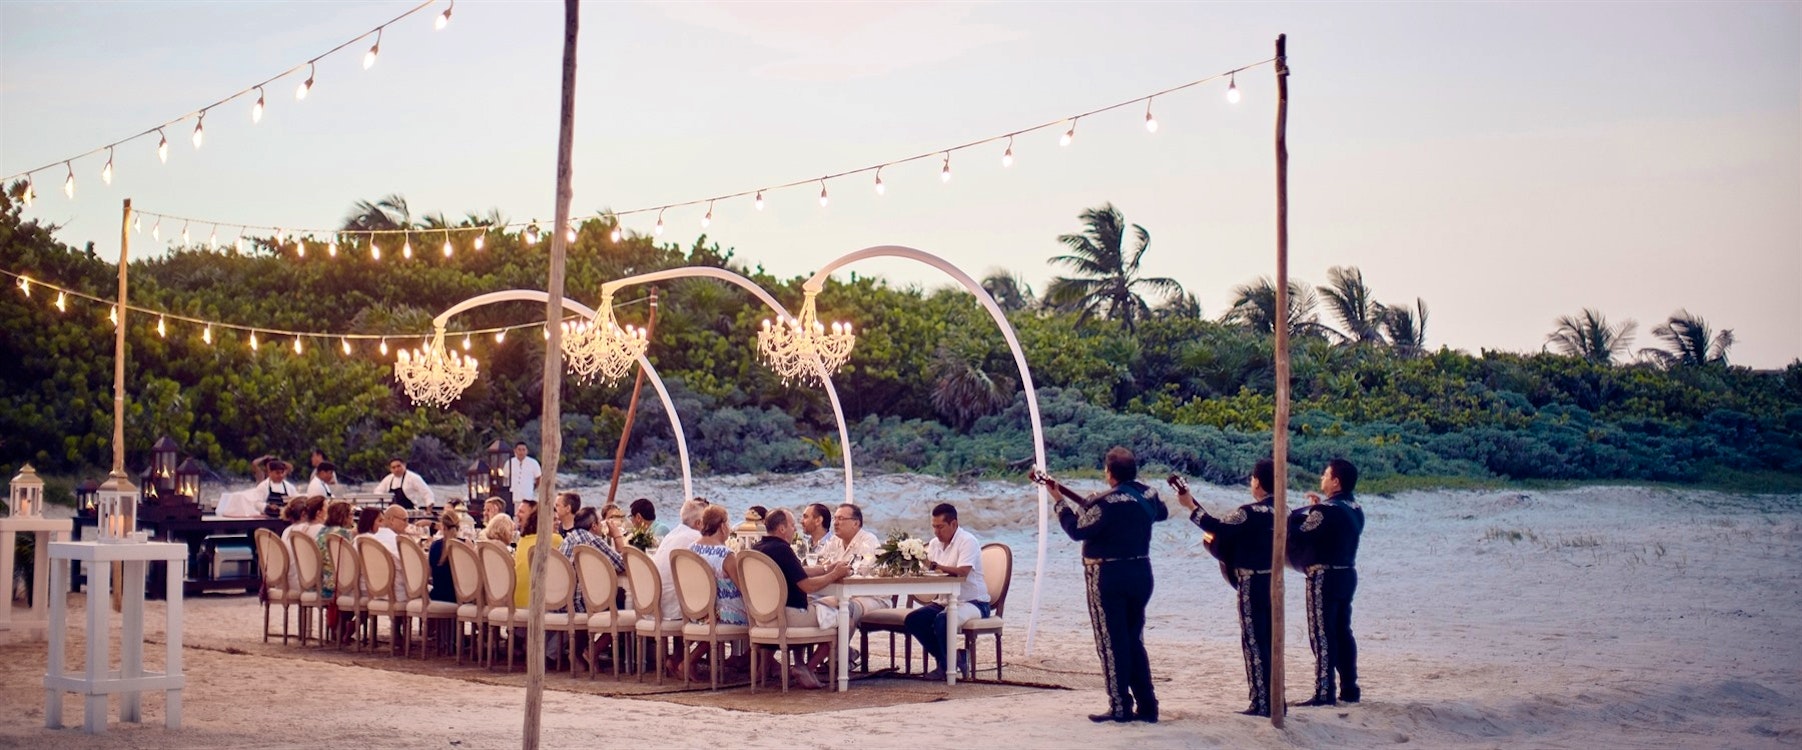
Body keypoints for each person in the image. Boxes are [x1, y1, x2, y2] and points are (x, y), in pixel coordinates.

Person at [1040, 447, 1168, 723]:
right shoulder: (1149, 494)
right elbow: (1161, 514)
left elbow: (1077, 530)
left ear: (1109, 473)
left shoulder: (1104, 503)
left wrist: (1059, 501)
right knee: (1133, 639)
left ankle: (1120, 705)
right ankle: (1148, 705)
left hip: (1108, 574)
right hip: (1141, 571)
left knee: (1111, 642)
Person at [1174, 459, 1278, 717]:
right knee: (1270, 640)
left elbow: (1217, 527)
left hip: (1251, 582)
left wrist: (1190, 506)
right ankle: (1276, 699)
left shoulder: (1249, 512)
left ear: (1258, 482)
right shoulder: (1283, 509)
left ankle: (1261, 702)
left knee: (1254, 641)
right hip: (1273, 582)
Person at [1287, 458, 1365, 707]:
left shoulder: (1325, 511)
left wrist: (1295, 515)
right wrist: (1315, 509)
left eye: (1325, 474)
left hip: (1324, 576)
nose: (1322, 477)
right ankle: (1350, 688)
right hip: (1347, 573)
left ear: (1336, 481)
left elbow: (1299, 533)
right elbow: (1325, 526)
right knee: (1343, 632)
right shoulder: (1355, 508)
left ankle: (1324, 691)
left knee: (1322, 634)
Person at [752, 508, 849, 689]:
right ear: (781, 529)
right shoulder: (782, 549)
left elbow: (798, 571)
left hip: (763, 618)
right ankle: (806, 668)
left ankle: (799, 665)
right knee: (846, 619)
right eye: (791, 525)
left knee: (817, 606)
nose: (794, 529)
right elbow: (808, 586)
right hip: (789, 616)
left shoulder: (757, 549)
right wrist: (834, 574)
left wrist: (826, 569)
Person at [904, 503, 990, 683]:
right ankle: (951, 659)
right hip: (943, 600)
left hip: (973, 602)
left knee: (944, 619)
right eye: (933, 526)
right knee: (913, 620)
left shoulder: (968, 541)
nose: (936, 531)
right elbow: (931, 572)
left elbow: (962, 572)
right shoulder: (935, 544)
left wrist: (934, 566)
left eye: (940, 527)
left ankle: (946, 666)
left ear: (954, 524)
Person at [676, 504, 749, 681]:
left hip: (695, 611)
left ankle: (743, 660)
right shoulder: (725, 554)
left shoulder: (691, 549)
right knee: (762, 613)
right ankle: (759, 666)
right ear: (723, 526)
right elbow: (743, 588)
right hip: (722, 613)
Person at [560, 503, 626, 613]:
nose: (602, 525)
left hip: (561, 604)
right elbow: (622, 565)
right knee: (620, 595)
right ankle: (616, 629)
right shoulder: (592, 540)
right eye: (600, 522)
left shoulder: (568, 538)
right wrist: (616, 535)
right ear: (594, 526)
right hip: (580, 605)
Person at [652, 498, 709, 620]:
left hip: (657, 604)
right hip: (676, 607)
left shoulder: (671, 535)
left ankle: (690, 639)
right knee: (725, 608)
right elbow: (712, 567)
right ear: (699, 523)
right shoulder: (696, 537)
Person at [511, 499, 564, 609]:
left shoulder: (522, 540)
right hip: (538, 605)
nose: (558, 523)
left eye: (558, 519)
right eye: (553, 520)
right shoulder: (554, 539)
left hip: (517, 602)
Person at [316, 501, 355, 641]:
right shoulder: (344, 534)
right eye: (351, 514)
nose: (353, 518)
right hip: (339, 585)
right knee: (367, 591)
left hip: (323, 583)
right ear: (344, 516)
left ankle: (339, 628)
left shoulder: (322, 531)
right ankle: (347, 628)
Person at [427, 507, 462, 603]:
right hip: (459, 597)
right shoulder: (465, 545)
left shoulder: (434, 546)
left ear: (442, 527)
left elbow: (429, 574)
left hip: (438, 595)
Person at [506, 442, 541, 508]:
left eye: (523, 450)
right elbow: (505, 478)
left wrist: (533, 488)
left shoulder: (533, 463)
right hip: (512, 497)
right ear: (515, 451)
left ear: (527, 451)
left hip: (527, 497)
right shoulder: (509, 463)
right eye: (519, 450)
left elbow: (538, 478)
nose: (521, 452)